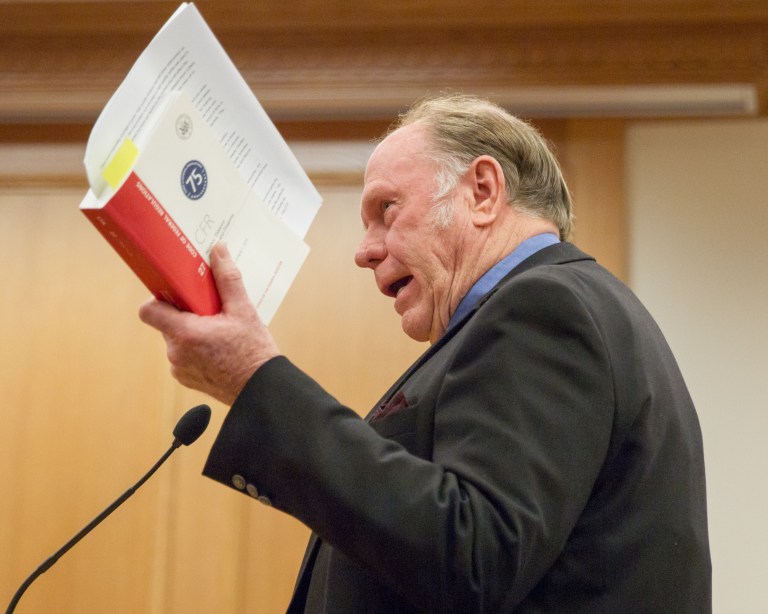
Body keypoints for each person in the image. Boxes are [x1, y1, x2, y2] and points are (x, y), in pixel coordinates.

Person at [139, 94, 711, 613]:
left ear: (483, 193)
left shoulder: (545, 307)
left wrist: (255, 380)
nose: (364, 251)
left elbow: (473, 559)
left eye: (386, 209)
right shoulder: (558, 311)